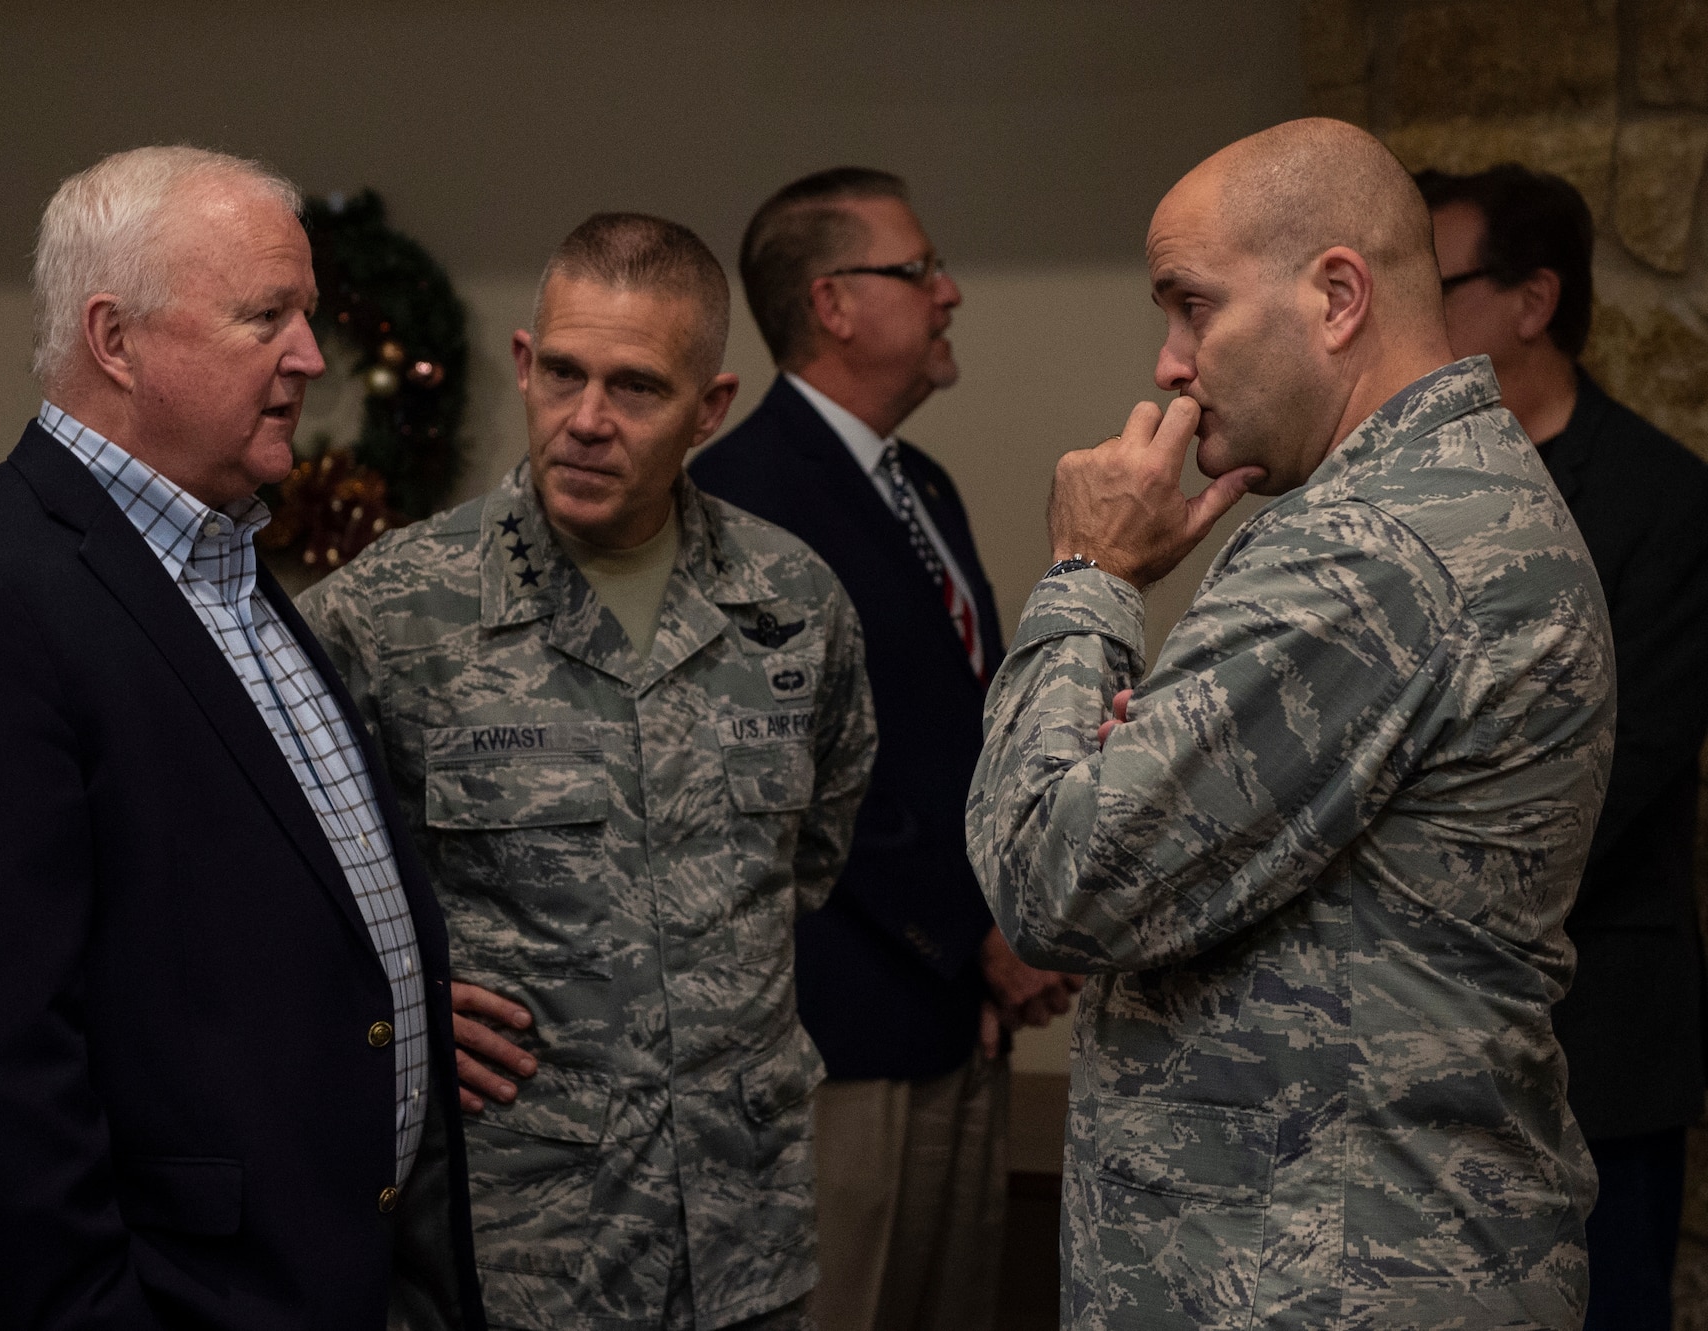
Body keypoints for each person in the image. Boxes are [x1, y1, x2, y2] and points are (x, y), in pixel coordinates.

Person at [965, 118, 1616, 1327]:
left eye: (1190, 306)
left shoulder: (1375, 549)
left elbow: (1053, 877)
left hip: (1316, 1280)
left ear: (1333, 294)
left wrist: (1087, 574)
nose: (1167, 361)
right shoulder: (1439, 503)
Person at [0, 146, 484, 1330]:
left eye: (308, 314)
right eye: (264, 316)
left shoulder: (227, 568)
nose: (309, 357)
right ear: (114, 339)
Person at [299, 213, 876, 1331]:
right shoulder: (393, 612)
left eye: (636, 387)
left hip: (743, 1235)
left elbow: (810, 854)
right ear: (523, 362)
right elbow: (265, 879)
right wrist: (382, 1000)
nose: (586, 421)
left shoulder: (792, 605)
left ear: (710, 406)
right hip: (517, 1246)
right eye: (561, 373)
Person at [690, 167, 1079, 1331]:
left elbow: (955, 727)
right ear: (833, 303)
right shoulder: (740, 495)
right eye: (916, 270)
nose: (947, 291)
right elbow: (791, 768)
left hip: (957, 1014)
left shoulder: (921, 484)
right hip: (842, 1024)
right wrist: (975, 933)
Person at [1419, 161, 1708, 1331]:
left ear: (1530, 301)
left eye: (1430, 285)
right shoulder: (1404, 493)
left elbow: (1614, 768)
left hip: (1592, 1033)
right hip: (1416, 1042)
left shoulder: (1661, 498)